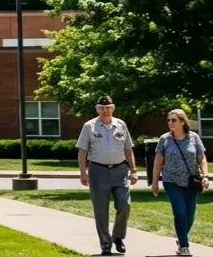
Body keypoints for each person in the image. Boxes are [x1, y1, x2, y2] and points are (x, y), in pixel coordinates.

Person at [76, 95, 138, 256]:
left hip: (120, 170)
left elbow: (128, 149)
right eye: (102, 108)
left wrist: (134, 170)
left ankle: (118, 237)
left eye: (108, 107)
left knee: (125, 204)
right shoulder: (89, 126)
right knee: (101, 210)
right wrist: (83, 172)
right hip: (98, 171)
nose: (105, 110)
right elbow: (82, 151)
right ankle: (105, 244)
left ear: (113, 108)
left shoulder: (121, 125)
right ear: (97, 109)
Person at [151, 109, 209, 256]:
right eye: (169, 120)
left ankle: (181, 237)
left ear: (182, 122)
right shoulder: (164, 139)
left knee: (190, 216)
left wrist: (205, 175)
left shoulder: (194, 137)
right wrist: (155, 181)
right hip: (171, 181)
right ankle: (184, 246)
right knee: (180, 212)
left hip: (191, 181)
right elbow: (158, 162)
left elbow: (201, 158)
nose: (170, 122)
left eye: (174, 120)